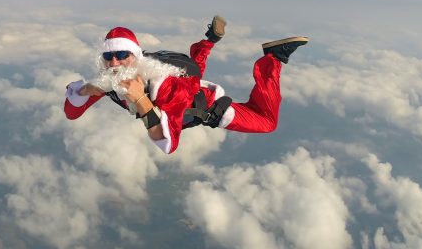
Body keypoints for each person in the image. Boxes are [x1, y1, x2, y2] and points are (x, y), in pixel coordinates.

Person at [64, 16, 308, 154]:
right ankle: (209, 40)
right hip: (185, 80)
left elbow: (168, 142)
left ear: (136, 57)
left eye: (122, 55)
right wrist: (87, 89)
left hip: (209, 106)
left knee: (267, 122)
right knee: (194, 67)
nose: (115, 62)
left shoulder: (163, 85)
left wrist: (140, 99)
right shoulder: (112, 79)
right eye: (108, 56)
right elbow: (71, 112)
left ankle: (274, 58)